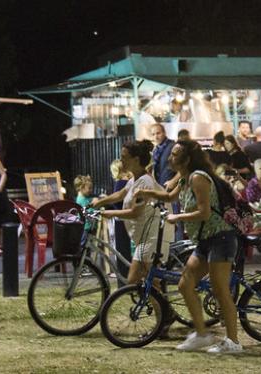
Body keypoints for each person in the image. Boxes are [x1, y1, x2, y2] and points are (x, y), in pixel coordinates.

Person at [137, 140, 242, 354]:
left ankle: (233, 342)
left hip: (220, 238)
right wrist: (146, 193)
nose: (170, 158)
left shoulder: (197, 178)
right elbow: (169, 196)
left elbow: (204, 212)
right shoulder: (185, 178)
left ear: (187, 159)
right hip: (205, 240)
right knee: (185, 284)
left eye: (175, 154)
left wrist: (177, 217)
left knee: (221, 290)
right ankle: (202, 334)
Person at [92, 140, 174, 284]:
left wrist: (109, 214)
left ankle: (162, 306)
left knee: (134, 281)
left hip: (152, 237)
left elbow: (135, 212)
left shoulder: (145, 182)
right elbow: (120, 194)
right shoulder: (135, 180)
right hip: (145, 236)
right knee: (150, 284)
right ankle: (163, 307)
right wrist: (99, 202)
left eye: (124, 157)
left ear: (136, 160)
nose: (121, 160)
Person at [151, 124, 177, 190]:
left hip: (172, 188)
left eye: (158, 133)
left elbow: (184, 168)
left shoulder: (173, 146)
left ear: (164, 133)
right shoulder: (156, 150)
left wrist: (173, 181)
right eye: (153, 134)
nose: (156, 137)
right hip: (161, 187)